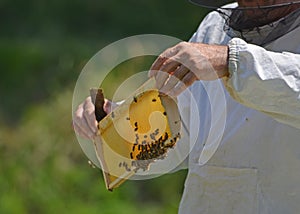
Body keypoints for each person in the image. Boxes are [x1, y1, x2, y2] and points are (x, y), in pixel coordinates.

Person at [73, 0, 300, 213]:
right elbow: (184, 129)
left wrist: (234, 61)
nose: (248, 4)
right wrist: (119, 122)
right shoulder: (215, 27)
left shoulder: (230, 53)